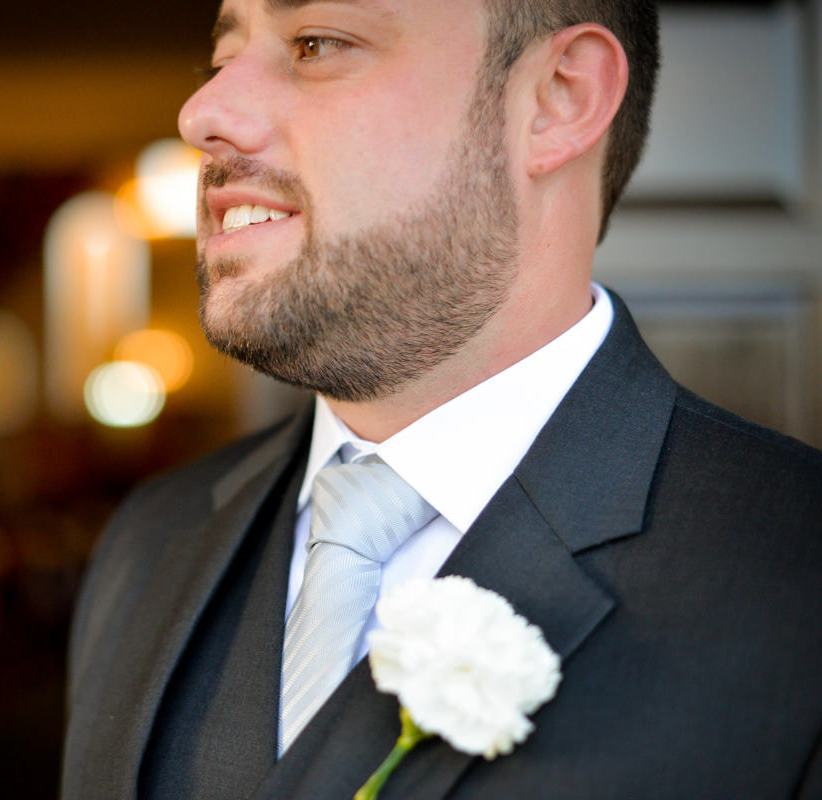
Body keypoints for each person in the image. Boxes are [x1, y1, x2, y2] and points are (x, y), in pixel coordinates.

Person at [62, 0, 822, 797]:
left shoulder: (794, 577)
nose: (202, 113)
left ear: (558, 97)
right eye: (222, 57)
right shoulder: (151, 540)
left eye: (316, 44)